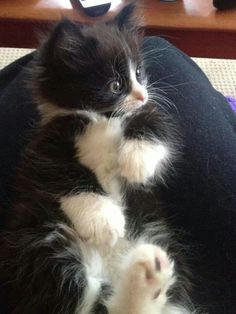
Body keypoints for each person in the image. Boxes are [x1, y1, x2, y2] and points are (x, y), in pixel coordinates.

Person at [0, 37, 235, 314]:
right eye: (117, 84)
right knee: (163, 52)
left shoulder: (61, 126)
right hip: (122, 256)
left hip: (87, 261)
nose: (142, 94)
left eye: (138, 74)